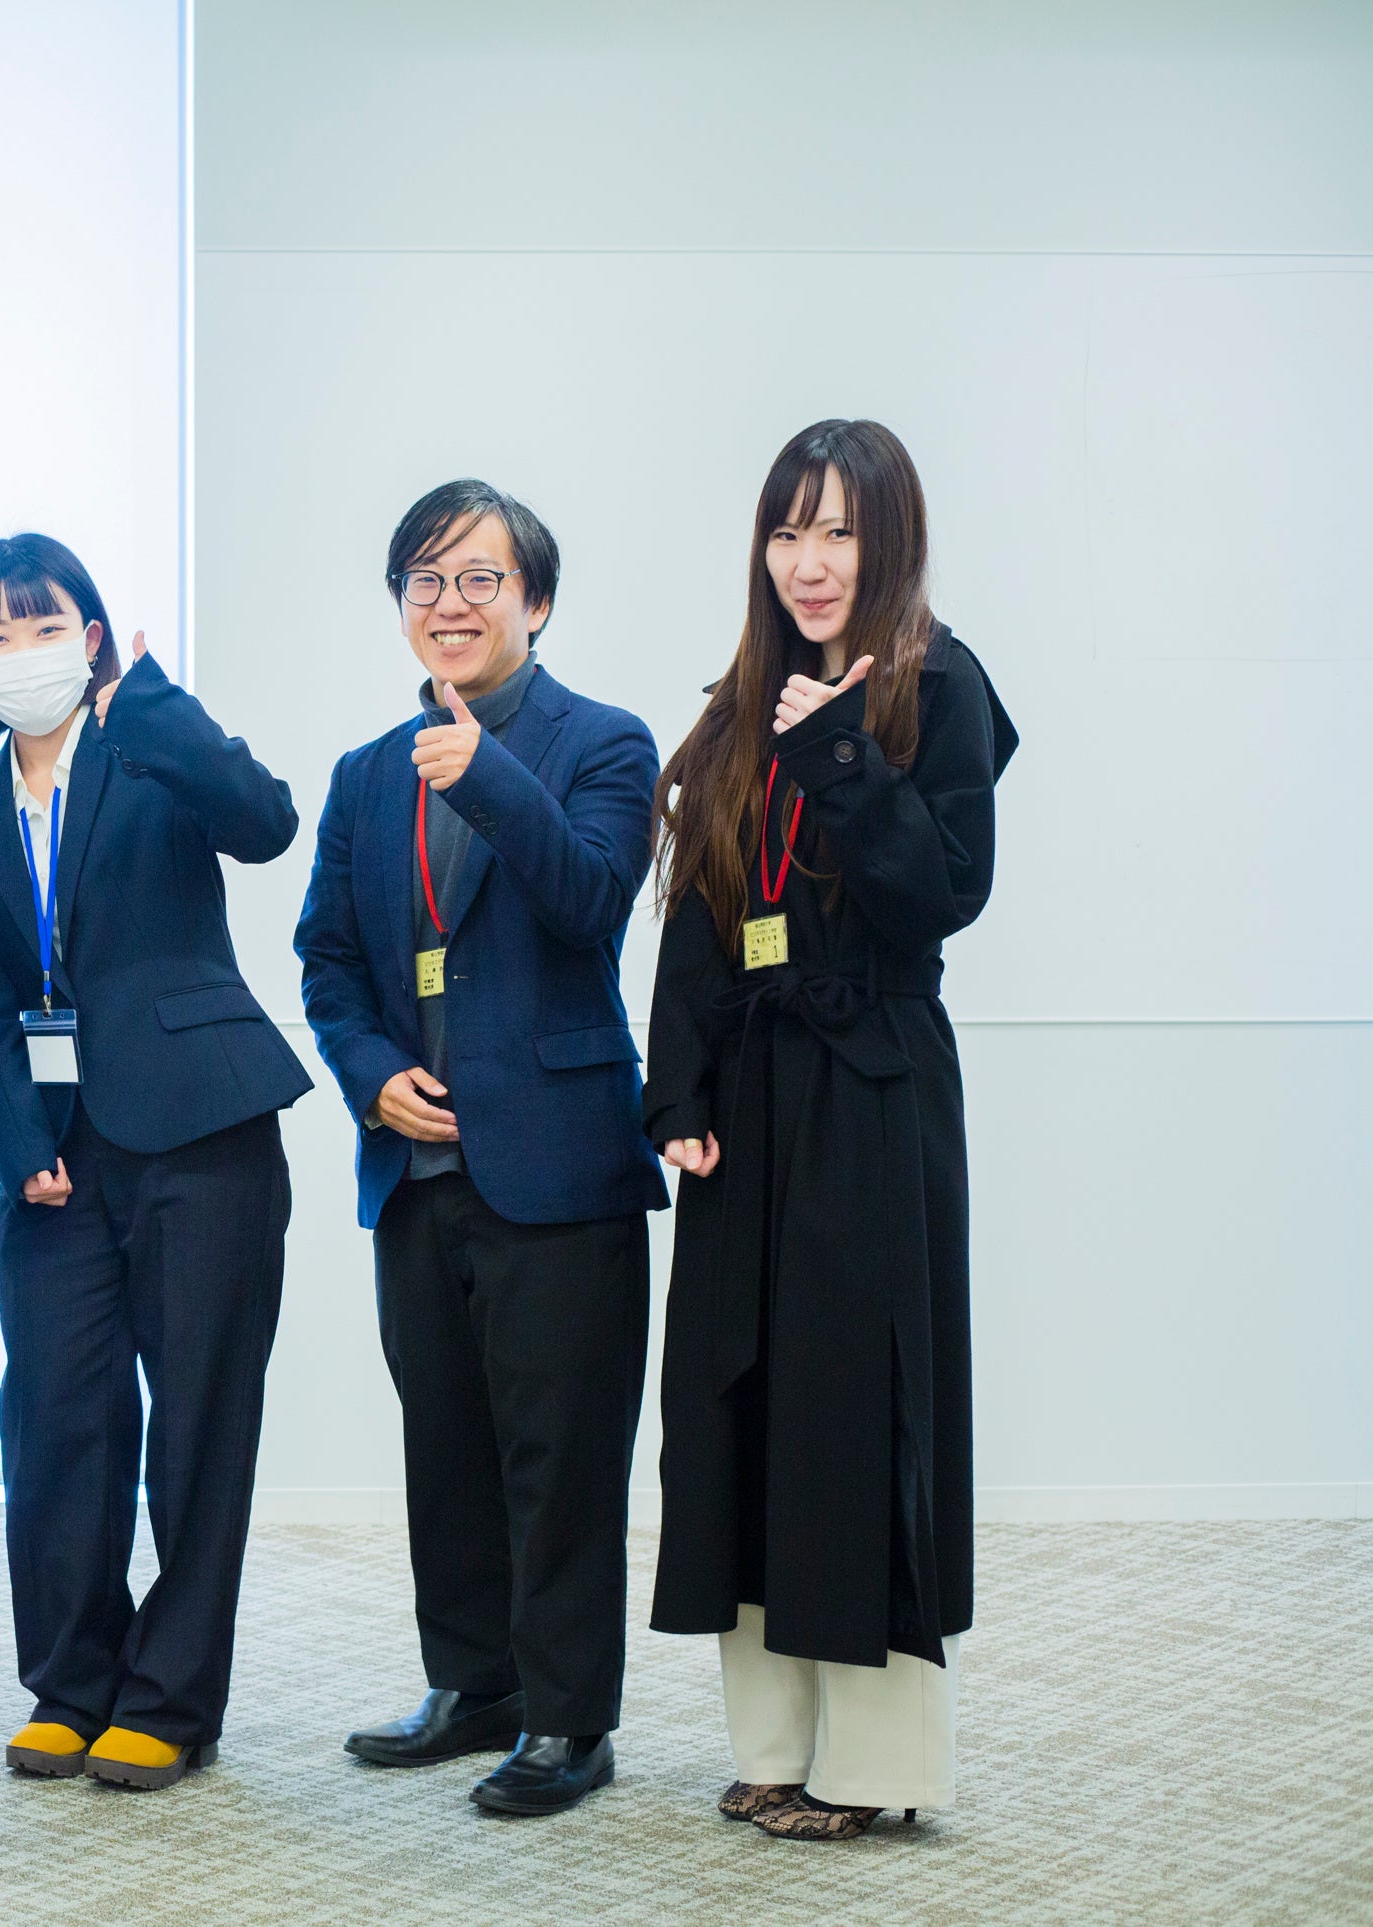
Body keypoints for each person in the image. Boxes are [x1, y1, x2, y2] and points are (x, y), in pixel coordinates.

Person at [642, 419, 1017, 1842]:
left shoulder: (939, 687)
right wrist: (677, 1091)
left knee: (855, 1413)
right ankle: (771, 1744)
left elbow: (939, 894)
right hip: (749, 1098)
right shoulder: (742, 699)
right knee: (737, 1407)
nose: (808, 562)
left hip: (871, 1088)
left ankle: (870, 1764)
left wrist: (842, 751)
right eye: (786, 530)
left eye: (838, 531)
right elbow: (698, 911)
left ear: (889, 540)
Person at [295, 479, 667, 1817]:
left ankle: (569, 1718)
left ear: (536, 601)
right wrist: (368, 1076)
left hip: (557, 1167)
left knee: (558, 1458)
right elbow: (327, 960)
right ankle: (474, 1683)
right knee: (443, 1446)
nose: (447, 603)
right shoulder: (363, 774)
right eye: (424, 581)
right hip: (416, 1169)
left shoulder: (605, 742)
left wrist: (487, 774)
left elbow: (592, 900)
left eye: (477, 579)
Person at [0, 534, 310, 1792]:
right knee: (57, 1421)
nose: (20, 651)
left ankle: (170, 1698)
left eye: (44, 626)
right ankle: (71, 1682)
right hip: (54, 1157)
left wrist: (150, 703)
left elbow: (265, 822)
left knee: (199, 1421)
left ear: (90, 639)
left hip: (203, 1128)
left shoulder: (150, 751)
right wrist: (15, 1142)